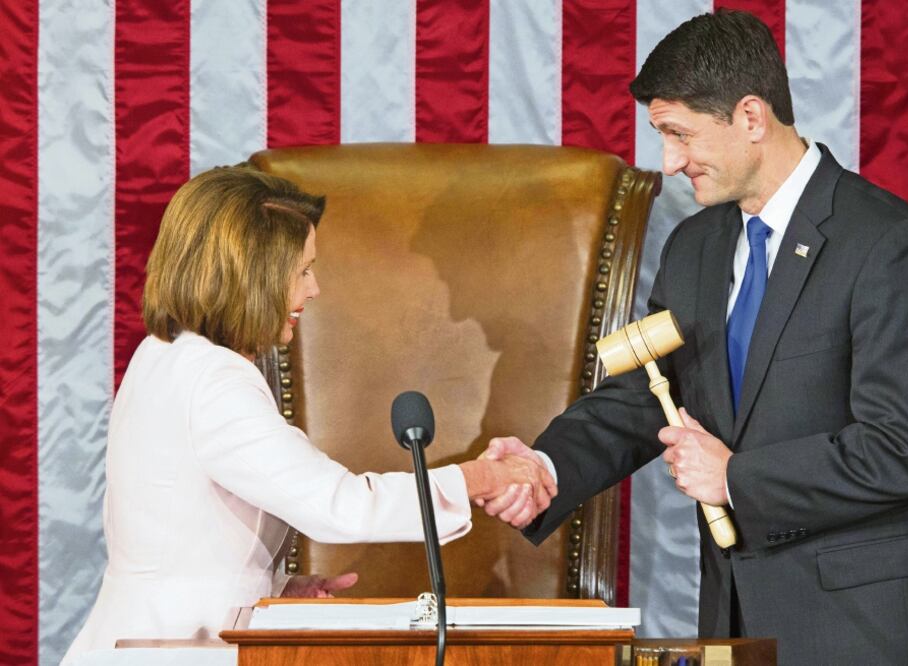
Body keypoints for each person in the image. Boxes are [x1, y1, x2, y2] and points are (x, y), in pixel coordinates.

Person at [481, 9, 908, 665]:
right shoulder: (693, 249)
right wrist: (544, 469)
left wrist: (738, 477)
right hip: (736, 618)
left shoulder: (886, 244)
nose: (670, 162)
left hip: (862, 628)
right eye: (661, 135)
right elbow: (641, 398)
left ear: (749, 117)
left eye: (680, 134)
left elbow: (904, 449)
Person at [62, 167, 555, 664]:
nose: (314, 288)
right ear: (252, 274)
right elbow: (340, 506)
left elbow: (185, 536)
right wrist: (481, 477)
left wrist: (273, 588)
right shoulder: (214, 380)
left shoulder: (166, 354)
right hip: (174, 650)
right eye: (301, 271)